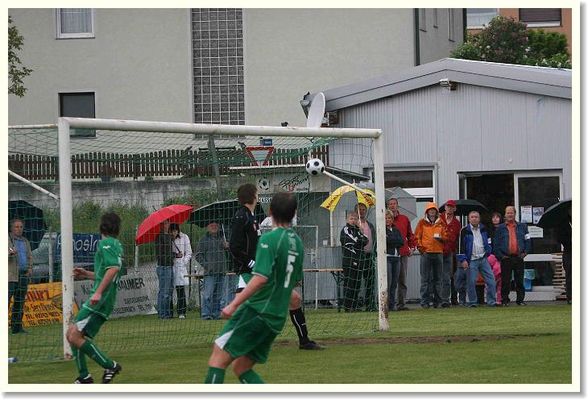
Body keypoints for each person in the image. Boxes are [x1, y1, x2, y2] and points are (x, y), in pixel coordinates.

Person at [204, 192, 304, 384]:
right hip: (276, 317)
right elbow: (294, 280)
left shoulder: (269, 239)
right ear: (293, 214)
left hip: (258, 311)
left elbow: (260, 279)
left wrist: (233, 305)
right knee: (241, 367)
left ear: (270, 211)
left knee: (218, 358)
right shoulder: (297, 243)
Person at [229, 183, 322, 350]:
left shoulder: (251, 216)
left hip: (258, 268)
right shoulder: (240, 217)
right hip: (250, 270)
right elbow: (234, 246)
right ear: (253, 196)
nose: (258, 196)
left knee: (293, 299)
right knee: (243, 307)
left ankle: (304, 340)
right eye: (257, 193)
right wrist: (250, 263)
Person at [67, 212, 124, 384]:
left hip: (101, 300)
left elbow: (113, 269)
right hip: (104, 299)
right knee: (71, 333)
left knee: (74, 336)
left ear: (102, 226)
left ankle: (109, 365)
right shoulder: (115, 244)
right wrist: (86, 274)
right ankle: (84, 376)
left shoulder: (106, 244)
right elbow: (106, 273)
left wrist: (98, 292)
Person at [457, 211, 497, 307]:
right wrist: (463, 260)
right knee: (471, 282)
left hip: (483, 259)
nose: (474, 218)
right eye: (472, 217)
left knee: (491, 280)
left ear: (479, 219)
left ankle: (491, 302)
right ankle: (473, 302)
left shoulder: (484, 229)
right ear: (469, 219)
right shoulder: (464, 231)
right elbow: (460, 246)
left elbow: (489, 241)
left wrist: (489, 252)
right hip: (471, 260)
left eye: (476, 217)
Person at [493, 206, 531, 306]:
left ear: (515, 214)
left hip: (519, 257)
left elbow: (528, 240)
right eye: (508, 213)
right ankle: (505, 300)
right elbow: (496, 244)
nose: (510, 215)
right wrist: (500, 256)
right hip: (506, 257)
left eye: (512, 213)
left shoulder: (523, 226)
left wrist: (525, 252)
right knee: (505, 281)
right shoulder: (500, 228)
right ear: (505, 215)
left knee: (519, 280)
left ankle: (520, 300)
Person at [414, 202, 446, 309]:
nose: (432, 212)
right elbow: (417, 237)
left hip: (438, 253)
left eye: (434, 210)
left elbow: (446, 237)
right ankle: (424, 302)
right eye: (430, 210)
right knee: (425, 279)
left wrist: (441, 238)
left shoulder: (441, 223)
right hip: (426, 253)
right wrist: (421, 248)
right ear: (427, 212)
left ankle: (438, 302)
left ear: (437, 212)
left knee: (438, 279)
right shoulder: (421, 223)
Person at [387, 197, 416, 311]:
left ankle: (401, 303)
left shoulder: (404, 219)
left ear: (397, 206)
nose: (392, 206)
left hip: (402, 253)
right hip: (389, 255)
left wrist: (413, 247)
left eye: (394, 204)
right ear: (388, 206)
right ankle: (390, 304)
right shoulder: (384, 219)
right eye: (390, 204)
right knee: (390, 280)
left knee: (402, 280)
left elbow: (410, 234)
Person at [196, 221, 229, 320]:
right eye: (211, 225)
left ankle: (216, 314)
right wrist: (207, 265)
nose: (214, 226)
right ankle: (206, 314)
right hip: (210, 273)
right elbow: (198, 255)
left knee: (218, 295)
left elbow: (230, 253)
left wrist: (227, 246)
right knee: (208, 295)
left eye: (216, 224)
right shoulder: (203, 240)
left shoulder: (223, 238)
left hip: (222, 271)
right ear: (207, 227)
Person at [340, 210, 368, 312]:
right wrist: (358, 240)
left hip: (359, 260)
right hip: (349, 261)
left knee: (357, 284)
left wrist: (361, 232)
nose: (353, 220)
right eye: (351, 218)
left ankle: (355, 305)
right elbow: (349, 241)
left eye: (355, 219)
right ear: (347, 219)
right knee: (349, 283)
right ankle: (348, 307)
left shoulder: (358, 230)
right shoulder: (345, 230)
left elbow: (366, 240)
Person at [8, 218, 33, 334]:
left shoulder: (25, 241)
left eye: (21, 227)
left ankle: (17, 327)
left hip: (23, 275)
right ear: (11, 228)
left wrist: (30, 268)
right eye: (16, 227)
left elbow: (29, 256)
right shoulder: (7, 239)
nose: (19, 229)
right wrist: (9, 253)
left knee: (19, 302)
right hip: (10, 275)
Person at [355, 203, 377, 311]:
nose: (362, 211)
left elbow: (374, 239)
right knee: (357, 281)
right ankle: (356, 304)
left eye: (364, 209)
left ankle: (370, 304)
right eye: (360, 210)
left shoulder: (370, 224)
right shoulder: (354, 225)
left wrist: (375, 252)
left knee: (370, 281)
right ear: (356, 211)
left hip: (369, 255)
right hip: (358, 256)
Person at [439, 200, 461, 308]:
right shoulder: (439, 219)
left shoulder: (457, 223)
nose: (450, 209)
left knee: (449, 276)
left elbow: (456, 239)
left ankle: (446, 300)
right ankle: (436, 299)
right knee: (436, 276)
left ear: (454, 209)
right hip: (437, 251)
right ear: (445, 208)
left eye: (452, 207)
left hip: (450, 252)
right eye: (448, 206)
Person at [170, 223, 192, 319]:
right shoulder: (167, 238)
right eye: (172, 231)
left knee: (180, 289)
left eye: (175, 231)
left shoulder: (184, 237)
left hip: (180, 266)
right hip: (170, 265)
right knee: (169, 290)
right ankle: (169, 312)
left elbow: (189, 252)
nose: (174, 233)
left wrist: (184, 261)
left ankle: (181, 311)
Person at [385, 210, 404, 311]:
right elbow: (387, 242)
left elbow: (401, 242)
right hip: (387, 257)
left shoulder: (396, 230)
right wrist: (393, 240)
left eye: (389, 218)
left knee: (394, 283)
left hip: (397, 258)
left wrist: (392, 240)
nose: (388, 220)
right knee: (388, 281)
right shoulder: (382, 230)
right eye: (386, 218)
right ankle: (385, 304)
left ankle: (392, 305)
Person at [155, 220, 175, 319]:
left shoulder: (169, 236)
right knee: (164, 292)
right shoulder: (160, 237)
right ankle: (163, 314)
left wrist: (175, 255)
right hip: (164, 267)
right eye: (164, 223)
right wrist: (170, 256)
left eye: (167, 223)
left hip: (170, 265)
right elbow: (160, 254)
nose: (166, 225)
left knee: (169, 291)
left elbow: (169, 252)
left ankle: (166, 312)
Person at [555, 208, 572, 304]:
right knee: (570, 275)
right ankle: (571, 297)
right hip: (569, 252)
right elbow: (560, 238)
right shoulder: (563, 224)